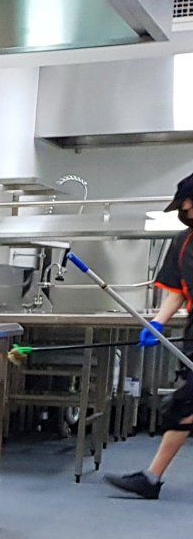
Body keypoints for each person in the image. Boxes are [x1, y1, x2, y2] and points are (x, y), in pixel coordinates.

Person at [106, 172, 193, 500]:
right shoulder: (183, 242)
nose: (184, 208)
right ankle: (151, 478)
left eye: (188, 202)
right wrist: (157, 323)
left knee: (185, 404)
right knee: (185, 405)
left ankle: (151, 478)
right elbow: (177, 292)